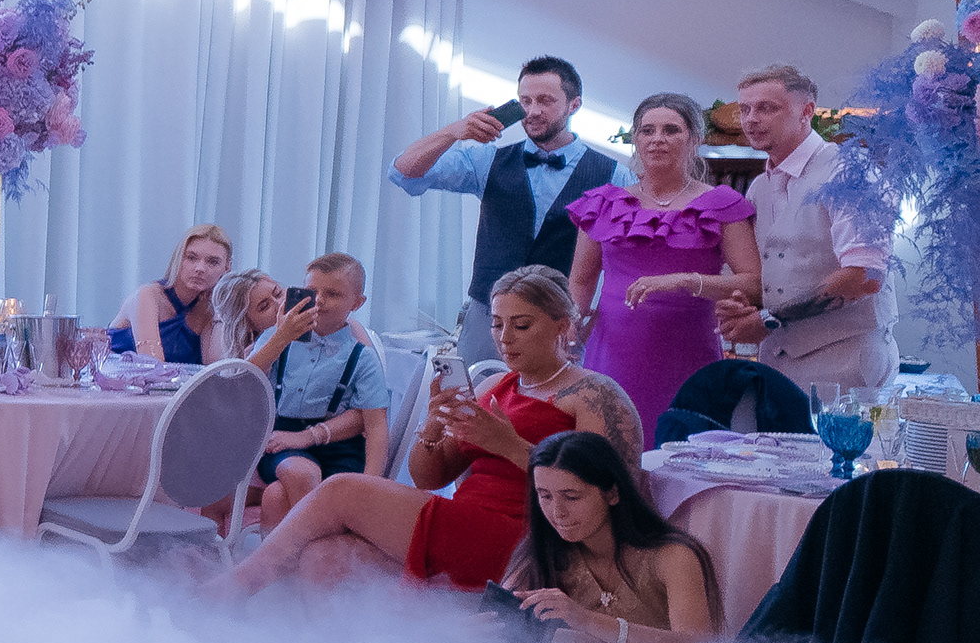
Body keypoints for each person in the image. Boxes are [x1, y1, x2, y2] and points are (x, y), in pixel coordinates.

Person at [223, 266, 642, 596]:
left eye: (521, 325)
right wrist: (432, 425)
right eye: (497, 324)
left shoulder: (593, 393)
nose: (504, 339)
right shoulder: (498, 385)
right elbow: (429, 477)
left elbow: (611, 495)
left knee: (342, 490)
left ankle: (234, 588)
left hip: (528, 537)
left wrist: (510, 446)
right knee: (324, 559)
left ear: (562, 326)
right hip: (467, 522)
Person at [389, 58, 618, 364]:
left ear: (574, 105)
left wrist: (592, 318)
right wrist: (454, 132)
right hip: (488, 316)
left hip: (560, 320)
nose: (533, 111)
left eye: (545, 101)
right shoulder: (487, 161)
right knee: (475, 392)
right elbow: (403, 171)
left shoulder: (614, 175)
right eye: (526, 101)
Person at [566, 93, 758, 435]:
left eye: (671, 130)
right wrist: (569, 327)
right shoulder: (604, 203)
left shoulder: (721, 204)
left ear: (694, 139)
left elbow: (753, 282)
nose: (657, 139)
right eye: (647, 131)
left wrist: (685, 280)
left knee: (683, 445)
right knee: (610, 446)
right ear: (636, 139)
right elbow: (581, 280)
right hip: (613, 351)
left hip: (688, 351)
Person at [712, 64, 895, 400]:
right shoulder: (758, 188)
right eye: (745, 109)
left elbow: (863, 277)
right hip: (776, 362)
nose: (751, 119)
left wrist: (767, 320)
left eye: (767, 108)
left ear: (807, 111)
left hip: (846, 362)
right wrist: (741, 305)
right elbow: (770, 275)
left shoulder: (850, 174)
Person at [503, 430, 719, 643]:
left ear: (613, 494)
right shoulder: (542, 549)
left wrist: (586, 620)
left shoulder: (673, 556)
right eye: (545, 496)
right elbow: (503, 625)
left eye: (572, 497)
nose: (557, 512)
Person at [238, 253, 392, 536]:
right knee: (302, 473)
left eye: (332, 294)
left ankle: (286, 561)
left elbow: (376, 424)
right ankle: (320, 545)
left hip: (342, 449)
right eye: (313, 291)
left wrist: (372, 485)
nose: (319, 300)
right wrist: (281, 337)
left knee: (275, 497)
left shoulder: (362, 357)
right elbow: (245, 382)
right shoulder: (275, 338)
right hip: (283, 442)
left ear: (357, 303)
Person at [110, 224, 235, 363]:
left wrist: (220, 308)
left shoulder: (208, 307)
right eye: (191, 258)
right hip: (116, 376)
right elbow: (151, 365)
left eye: (213, 262)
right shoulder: (148, 295)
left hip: (171, 378)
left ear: (227, 267)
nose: (200, 268)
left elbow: (216, 369)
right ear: (178, 258)